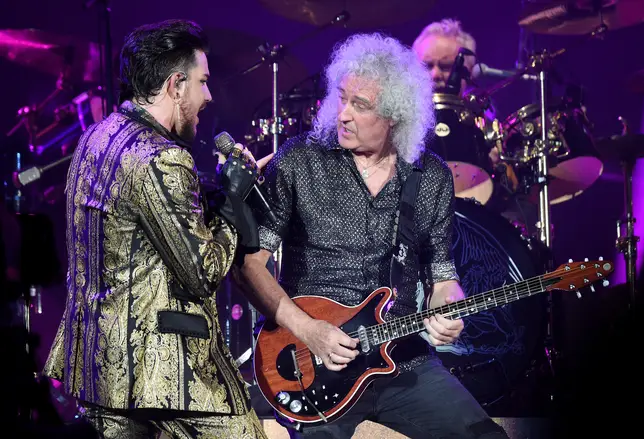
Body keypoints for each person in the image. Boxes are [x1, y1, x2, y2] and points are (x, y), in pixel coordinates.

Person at [240, 33, 509, 439]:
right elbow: (249, 265)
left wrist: (448, 309)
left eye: (360, 105)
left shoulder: (430, 177)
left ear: (393, 117)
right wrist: (308, 330)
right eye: (342, 98)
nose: (343, 114)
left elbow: (442, 275)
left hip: (402, 359)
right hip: (314, 360)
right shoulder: (298, 160)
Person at [42, 19, 268, 439]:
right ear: (176, 85)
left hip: (97, 364)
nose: (209, 96)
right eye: (203, 82)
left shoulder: (96, 138)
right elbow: (203, 273)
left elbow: (143, 222)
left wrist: (212, 193)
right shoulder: (163, 158)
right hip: (162, 370)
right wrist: (234, 203)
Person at [412, 19, 536, 234]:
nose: (434, 75)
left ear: (468, 72)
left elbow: (511, 192)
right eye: (427, 65)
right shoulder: (400, 122)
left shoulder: (484, 127)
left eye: (446, 66)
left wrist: (498, 165)